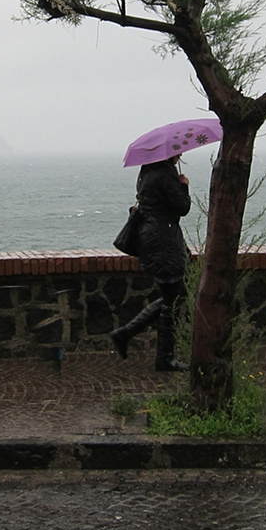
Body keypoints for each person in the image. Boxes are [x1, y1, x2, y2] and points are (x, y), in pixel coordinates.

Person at [109, 153, 191, 372]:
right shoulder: (165, 174)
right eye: (177, 150)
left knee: (172, 295)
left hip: (153, 239)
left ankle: (126, 334)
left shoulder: (147, 171)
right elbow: (182, 207)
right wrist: (183, 185)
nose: (180, 154)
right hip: (163, 240)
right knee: (173, 297)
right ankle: (163, 358)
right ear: (168, 152)